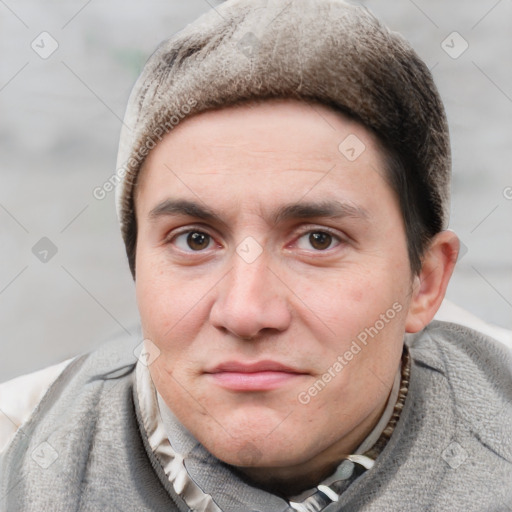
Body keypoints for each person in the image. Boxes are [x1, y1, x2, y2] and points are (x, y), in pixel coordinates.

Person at [1, 0, 511, 510]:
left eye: (318, 240)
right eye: (195, 240)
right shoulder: (18, 463)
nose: (246, 312)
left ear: (424, 281)